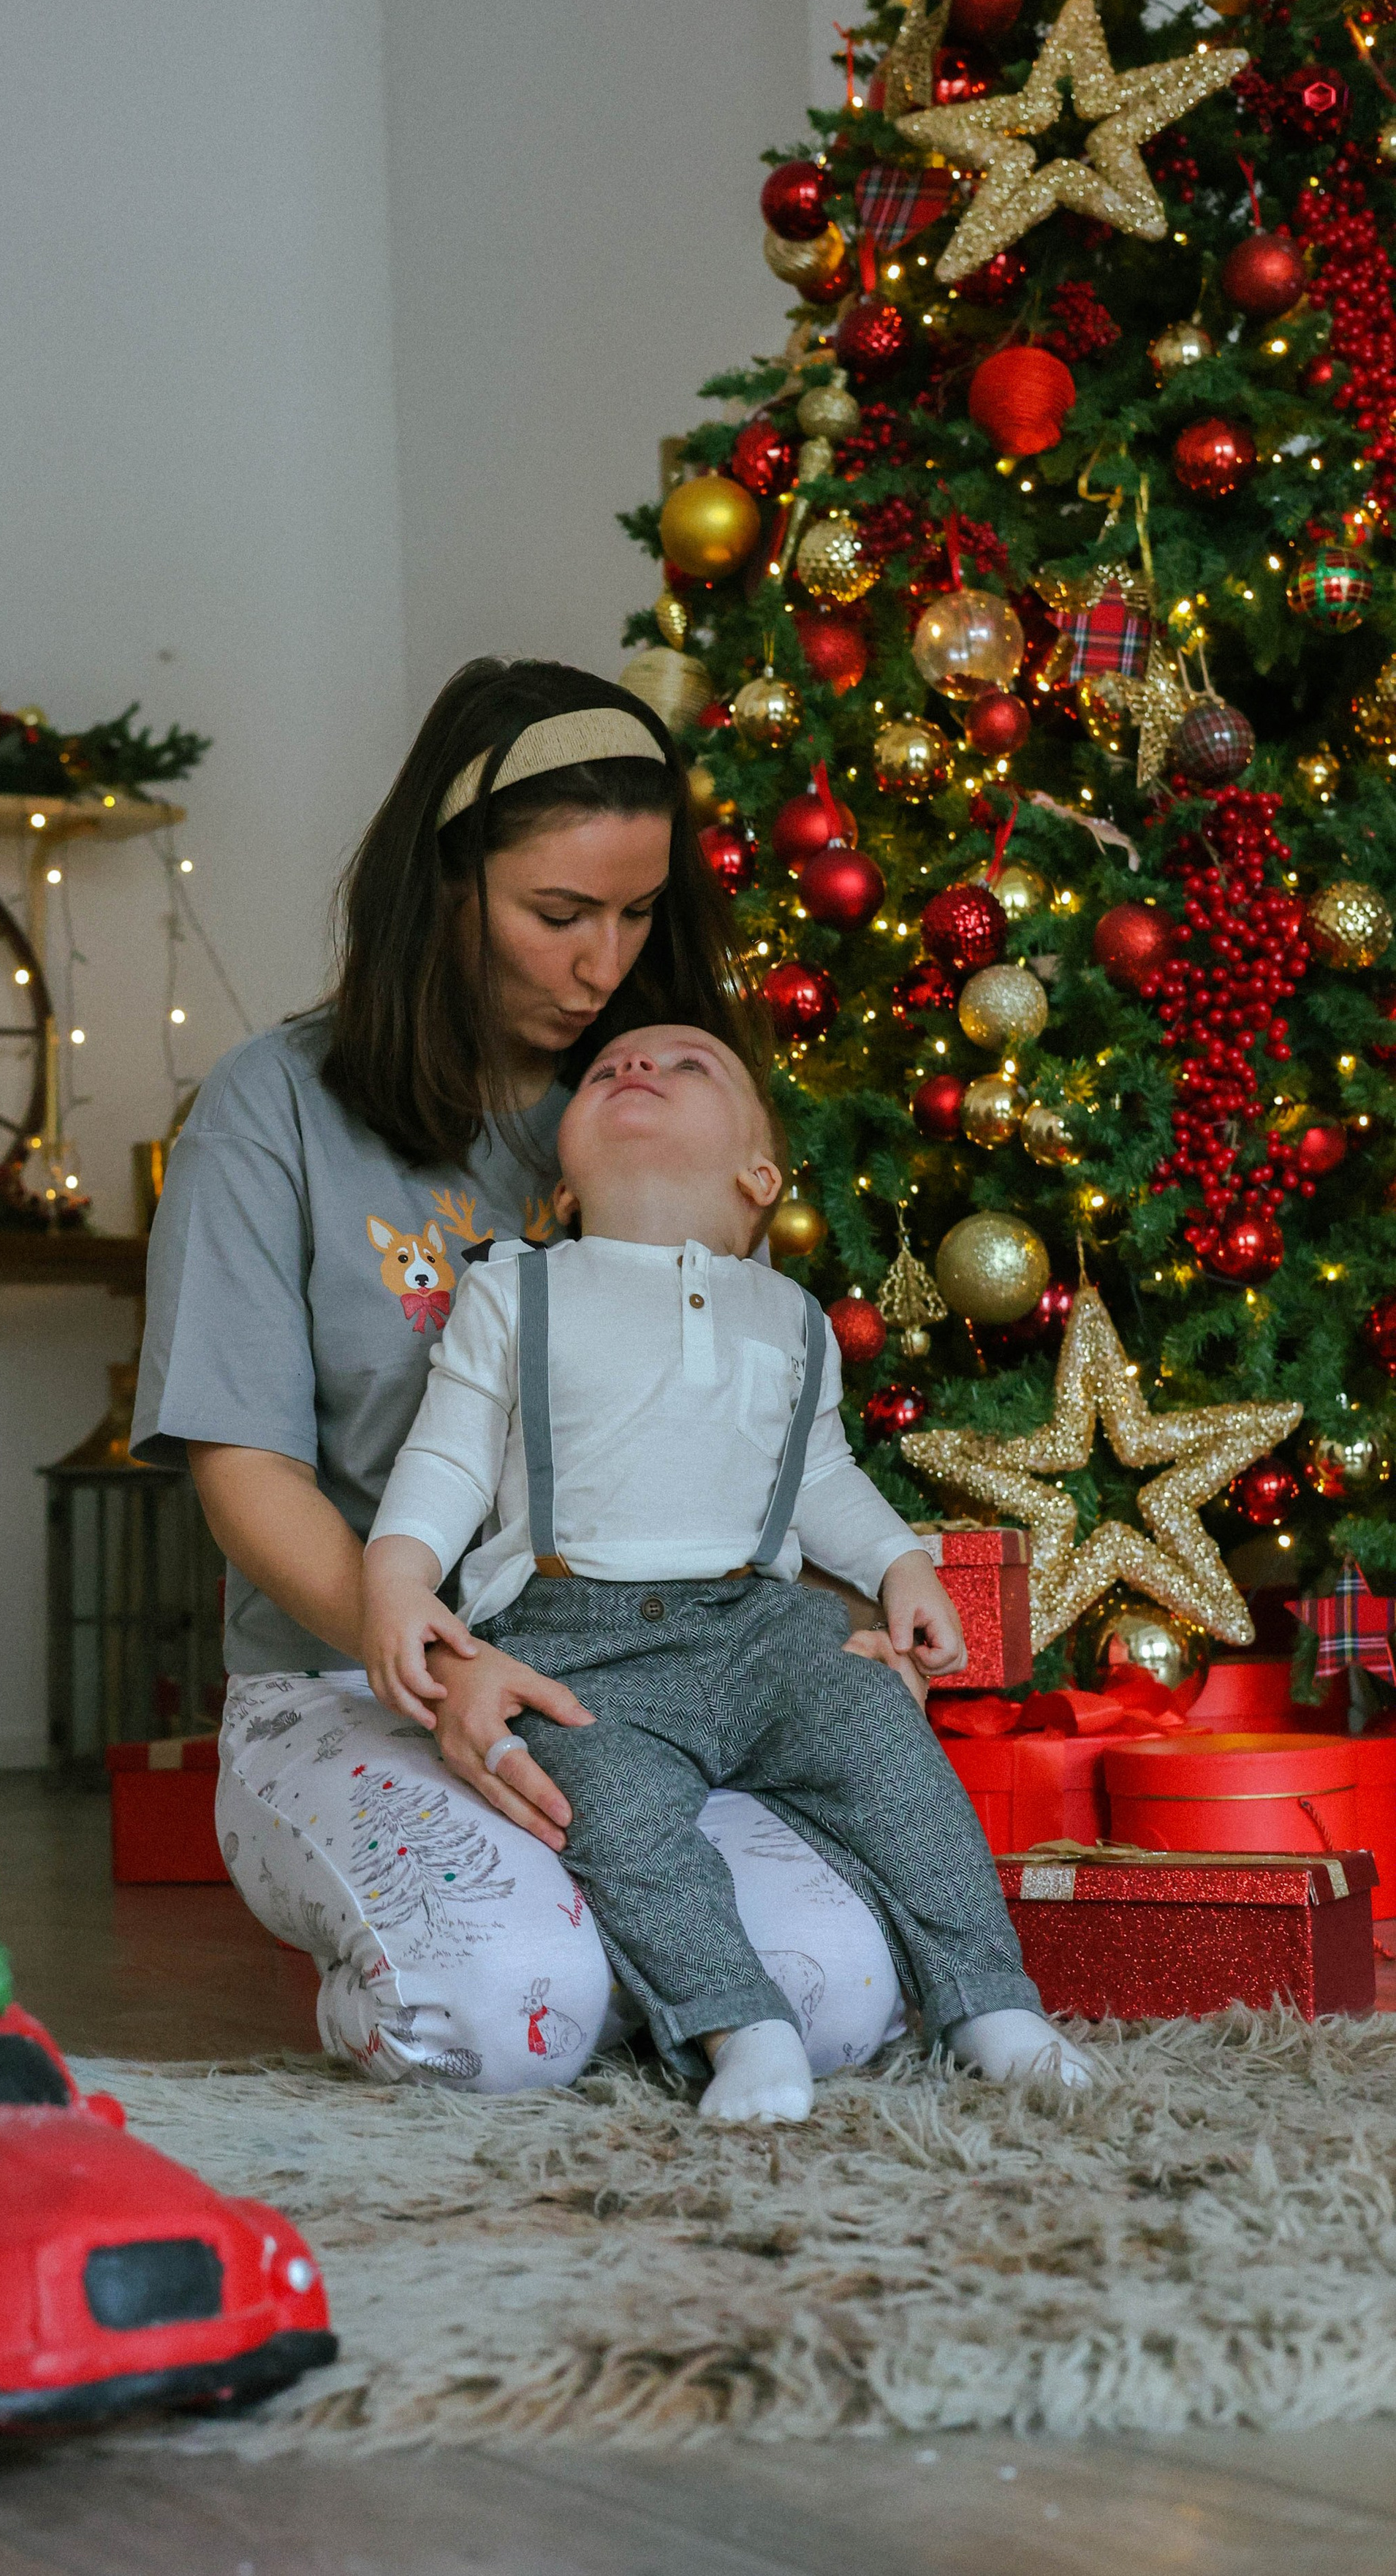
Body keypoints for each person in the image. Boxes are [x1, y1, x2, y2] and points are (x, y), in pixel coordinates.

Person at [133, 657, 927, 2094]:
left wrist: (851, 1614)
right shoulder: (272, 1109)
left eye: (636, 914)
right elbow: (243, 1469)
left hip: (656, 1690)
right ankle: (520, 1971)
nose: (600, 964)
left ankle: (631, 1976)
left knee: (840, 1995)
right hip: (342, 1686)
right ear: (443, 892)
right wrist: (434, 1664)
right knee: (508, 2012)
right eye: (556, 914)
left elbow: (761, 1433)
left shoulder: (659, 1101)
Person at [363, 1021, 1090, 2124]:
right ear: (564, 1185)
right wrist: (400, 1575)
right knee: (608, 1817)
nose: (634, 1068)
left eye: (684, 1065)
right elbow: (451, 1455)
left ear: (760, 1177)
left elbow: (821, 1475)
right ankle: (741, 2027)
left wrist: (898, 1560)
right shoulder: (520, 1291)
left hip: (761, 1623)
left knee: (890, 1757)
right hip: (576, 1635)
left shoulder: (793, 1316)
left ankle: (993, 2002)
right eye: (606, 1070)